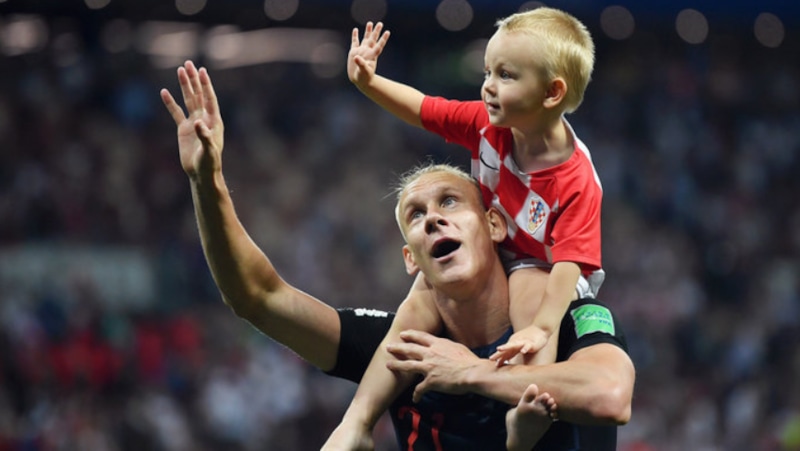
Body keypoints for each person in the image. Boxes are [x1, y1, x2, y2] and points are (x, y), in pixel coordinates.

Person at [160, 60, 634, 450]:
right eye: (416, 215)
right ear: (411, 259)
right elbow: (258, 296)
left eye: (450, 202)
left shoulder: (564, 318)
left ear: (494, 225)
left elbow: (611, 396)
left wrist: (472, 374)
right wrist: (207, 180)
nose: (433, 219)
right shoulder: (400, 351)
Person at [329, 7, 605, 448]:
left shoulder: (577, 181)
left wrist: (542, 327)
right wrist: (369, 83)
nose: (488, 86)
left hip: (544, 266)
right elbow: (424, 109)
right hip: (495, 245)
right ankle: (357, 423)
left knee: (531, 296)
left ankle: (522, 417)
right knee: (418, 299)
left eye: (506, 76)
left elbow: (570, 262)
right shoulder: (486, 125)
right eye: (487, 71)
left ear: (552, 93)